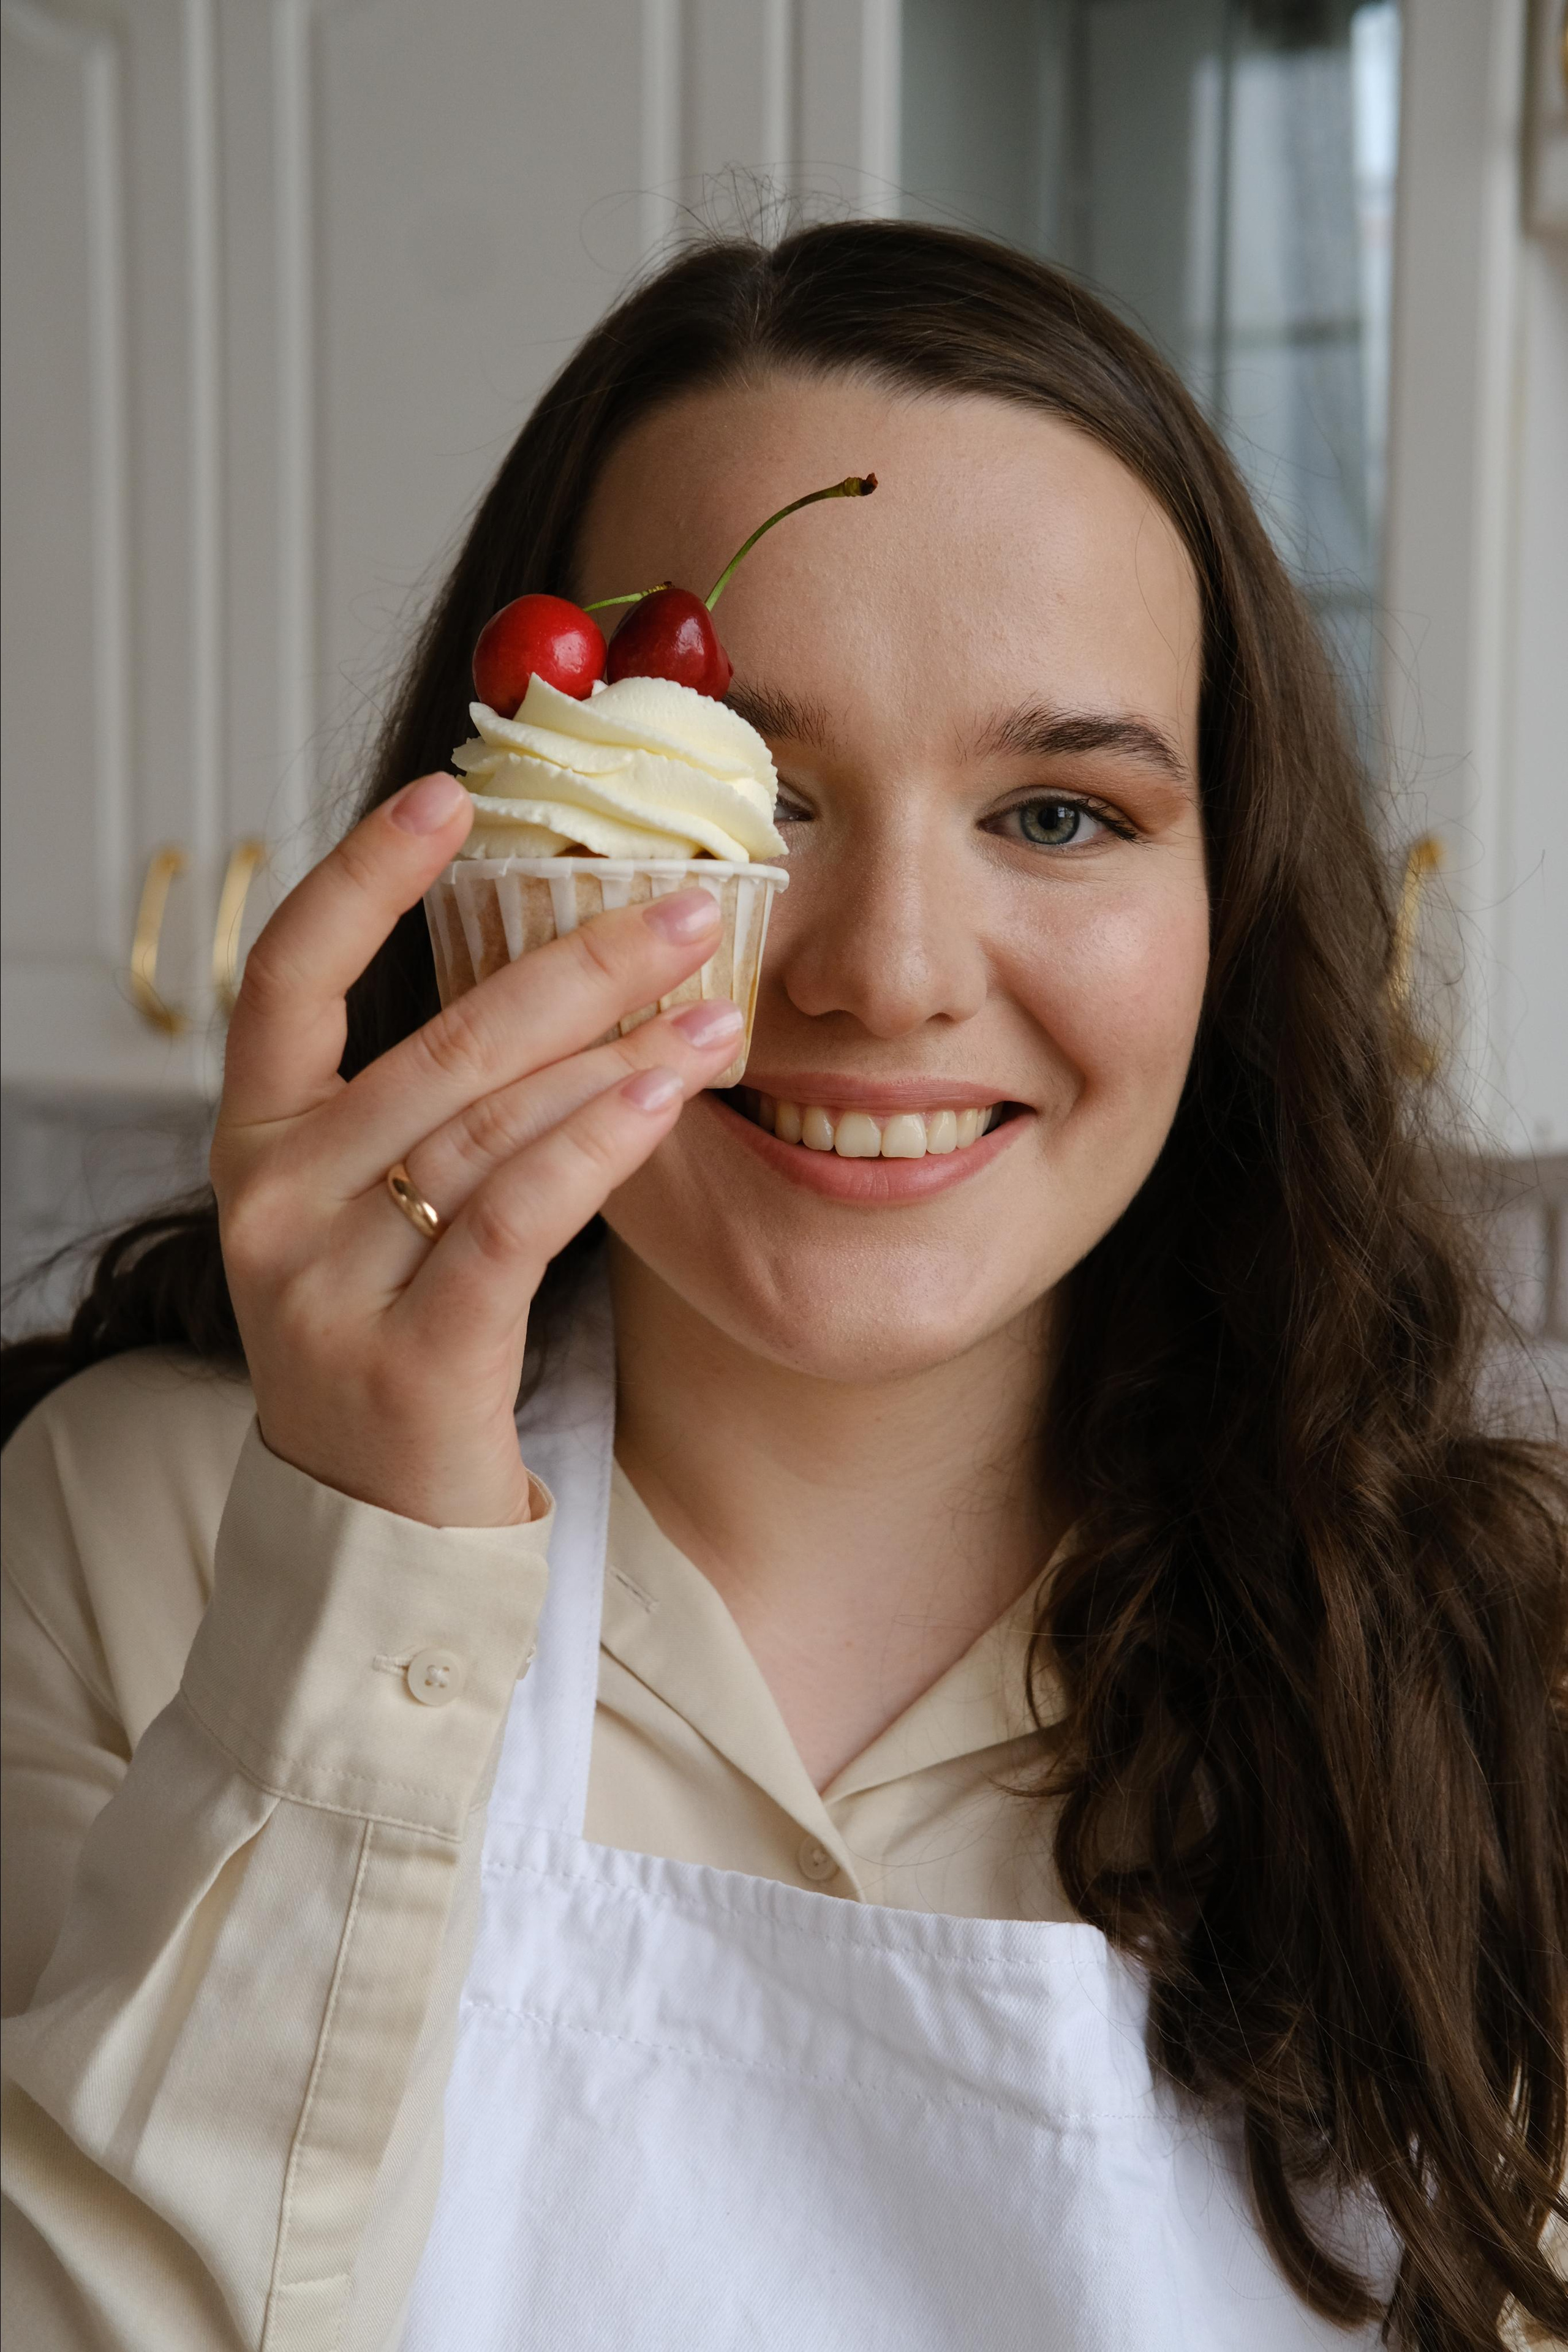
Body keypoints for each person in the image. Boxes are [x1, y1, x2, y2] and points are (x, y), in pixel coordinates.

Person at [1, 221, 1563, 2352]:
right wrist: (357, 1571)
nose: (883, 974)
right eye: (748, 798)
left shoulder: (1499, 1691)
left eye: (1059, 812)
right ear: (493, 865)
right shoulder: (133, 1539)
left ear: (1235, 903)